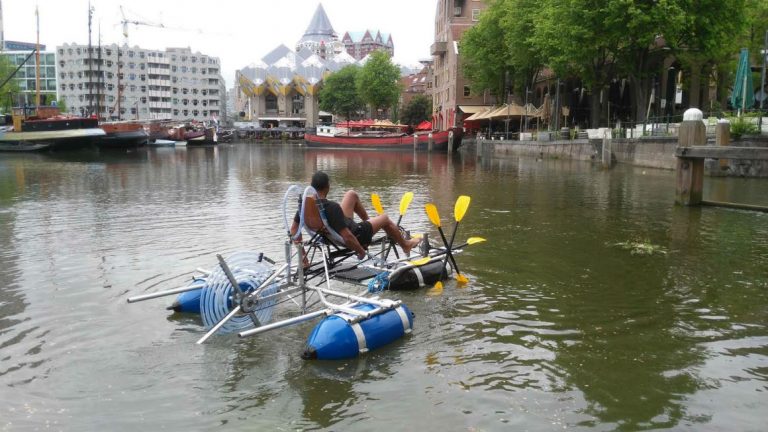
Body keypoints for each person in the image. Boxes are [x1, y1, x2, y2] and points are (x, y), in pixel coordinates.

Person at [291, 171, 421, 260]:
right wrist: (360, 250)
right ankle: (405, 245)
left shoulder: (305, 207)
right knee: (385, 218)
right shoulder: (332, 207)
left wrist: (303, 257)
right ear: (327, 187)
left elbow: (294, 230)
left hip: (331, 233)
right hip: (356, 235)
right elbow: (347, 237)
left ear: (312, 186)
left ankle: (370, 224)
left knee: (351, 194)